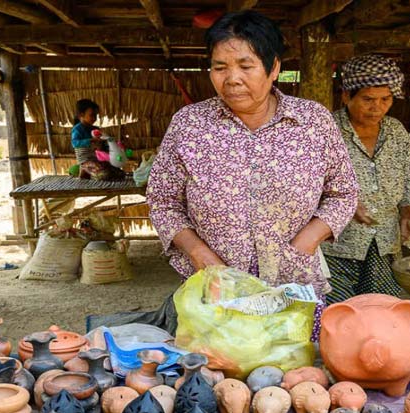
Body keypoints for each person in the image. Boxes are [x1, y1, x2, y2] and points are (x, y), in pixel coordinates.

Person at [146, 10, 359, 301]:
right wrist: (198, 253)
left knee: (294, 346)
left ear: (274, 68)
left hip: (293, 283)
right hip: (215, 286)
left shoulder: (312, 121)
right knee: (218, 348)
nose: (232, 79)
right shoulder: (190, 124)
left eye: (246, 66)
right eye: (220, 67)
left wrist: (306, 243)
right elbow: (163, 201)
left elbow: (343, 193)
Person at [321, 54, 410, 303]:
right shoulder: (326, 130)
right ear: (346, 96)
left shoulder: (396, 131)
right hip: (337, 245)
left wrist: (409, 212)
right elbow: (304, 182)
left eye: (385, 99)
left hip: (385, 241)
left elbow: (409, 176)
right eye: (368, 99)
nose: (377, 107)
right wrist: (342, 203)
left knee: (380, 310)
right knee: (339, 313)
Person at [71, 98, 100, 163]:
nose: (94, 118)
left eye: (96, 115)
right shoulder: (77, 129)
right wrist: (90, 140)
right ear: (81, 114)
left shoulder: (95, 129)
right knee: (104, 172)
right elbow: (74, 143)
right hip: (85, 161)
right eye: (92, 115)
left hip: (96, 159)